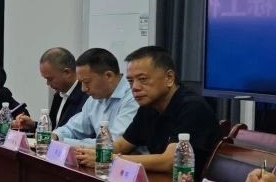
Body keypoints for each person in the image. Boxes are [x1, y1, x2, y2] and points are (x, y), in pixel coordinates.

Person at [75, 46, 219, 174]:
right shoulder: (149, 107)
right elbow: (122, 145)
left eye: (143, 79)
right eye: (130, 81)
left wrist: (109, 159)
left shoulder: (193, 107)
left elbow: (171, 161)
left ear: (169, 78)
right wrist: (83, 152)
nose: (135, 87)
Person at [51, 48, 139, 147]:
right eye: (81, 83)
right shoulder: (94, 99)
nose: (83, 89)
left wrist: (62, 142)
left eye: (87, 82)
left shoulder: (134, 97)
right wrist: (55, 136)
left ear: (108, 76)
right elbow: (73, 128)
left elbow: (112, 144)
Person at [13, 47, 89, 131]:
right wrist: (33, 125)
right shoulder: (58, 95)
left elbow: (75, 133)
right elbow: (54, 128)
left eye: (50, 79)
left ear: (67, 72)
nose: (48, 84)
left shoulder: (86, 97)